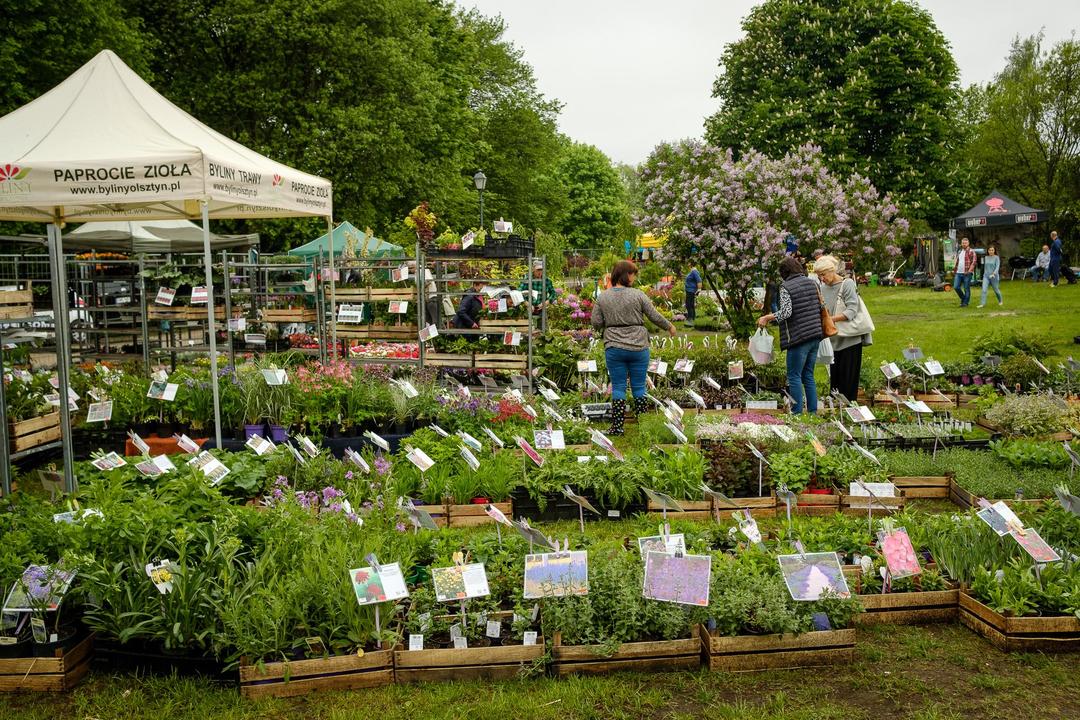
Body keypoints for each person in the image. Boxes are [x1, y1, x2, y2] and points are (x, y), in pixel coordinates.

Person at [591, 260, 676, 435]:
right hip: (639, 346)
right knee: (639, 386)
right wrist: (669, 326)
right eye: (633, 273)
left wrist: (610, 322)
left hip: (614, 346)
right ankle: (643, 425)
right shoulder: (638, 295)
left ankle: (617, 427)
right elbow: (654, 315)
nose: (634, 277)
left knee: (619, 386)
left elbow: (596, 322)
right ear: (626, 275)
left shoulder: (603, 297)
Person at [757, 256, 824, 414]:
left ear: (784, 273)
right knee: (808, 375)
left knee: (794, 375)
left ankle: (797, 413)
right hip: (815, 334)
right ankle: (813, 412)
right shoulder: (814, 283)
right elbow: (821, 305)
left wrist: (767, 317)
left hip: (798, 337)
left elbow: (787, 313)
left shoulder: (786, 287)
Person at [812, 254, 871, 403]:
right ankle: (836, 409)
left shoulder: (848, 284)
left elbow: (851, 311)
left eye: (823, 274)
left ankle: (849, 409)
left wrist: (830, 319)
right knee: (835, 379)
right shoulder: (823, 288)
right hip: (833, 340)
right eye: (819, 276)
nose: (822, 278)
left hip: (850, 340)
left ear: (832, 270)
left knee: (848, 379)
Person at [952, 237, 976, 307]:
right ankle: (964, 298)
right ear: (961, 244)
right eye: (963, 243)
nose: (964, 244)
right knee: (956, 287)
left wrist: (969, 271)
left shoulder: (971, 251)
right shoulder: (959, 251)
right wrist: (955, 270)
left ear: (968, 243)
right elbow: (957, 262)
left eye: (965, 243)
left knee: (966, 288)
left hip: (967, 273)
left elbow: (974, 262)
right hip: (958, 273)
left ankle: (965, 303)